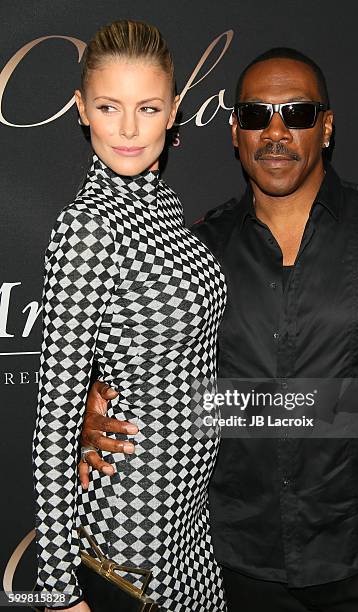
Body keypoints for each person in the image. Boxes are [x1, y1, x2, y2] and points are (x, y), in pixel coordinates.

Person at [79, 48, 358, 611]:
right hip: (238, 564)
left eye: (297, 113)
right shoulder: (193, 255)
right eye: (255, 116)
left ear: (326, 127)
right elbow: (161, 383)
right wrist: (92, 406)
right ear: (234, 133)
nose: (276, 132)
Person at [32, 19, 227, 612]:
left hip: (189, 528)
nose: (128, 129)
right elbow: (55, 422)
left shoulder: (163, 205)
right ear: (81, 109)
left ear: (172, 112)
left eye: (147, 108)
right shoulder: (90, 226)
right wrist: (60, 591)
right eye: (109, 106)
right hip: (129, 538)